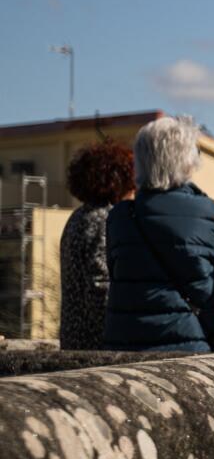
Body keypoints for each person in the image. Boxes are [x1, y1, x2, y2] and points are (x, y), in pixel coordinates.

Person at [104, 115, 214, 353]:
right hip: (189, 343)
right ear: (187, 160)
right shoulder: (206, 211)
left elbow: (115, 271)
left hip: (123, 345)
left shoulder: (120, 216)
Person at [58, 139, 136, 349]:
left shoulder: (78, 217)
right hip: (95, 344)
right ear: (119, 182)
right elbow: (100, 287)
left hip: (74, 338)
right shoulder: (103, 219)